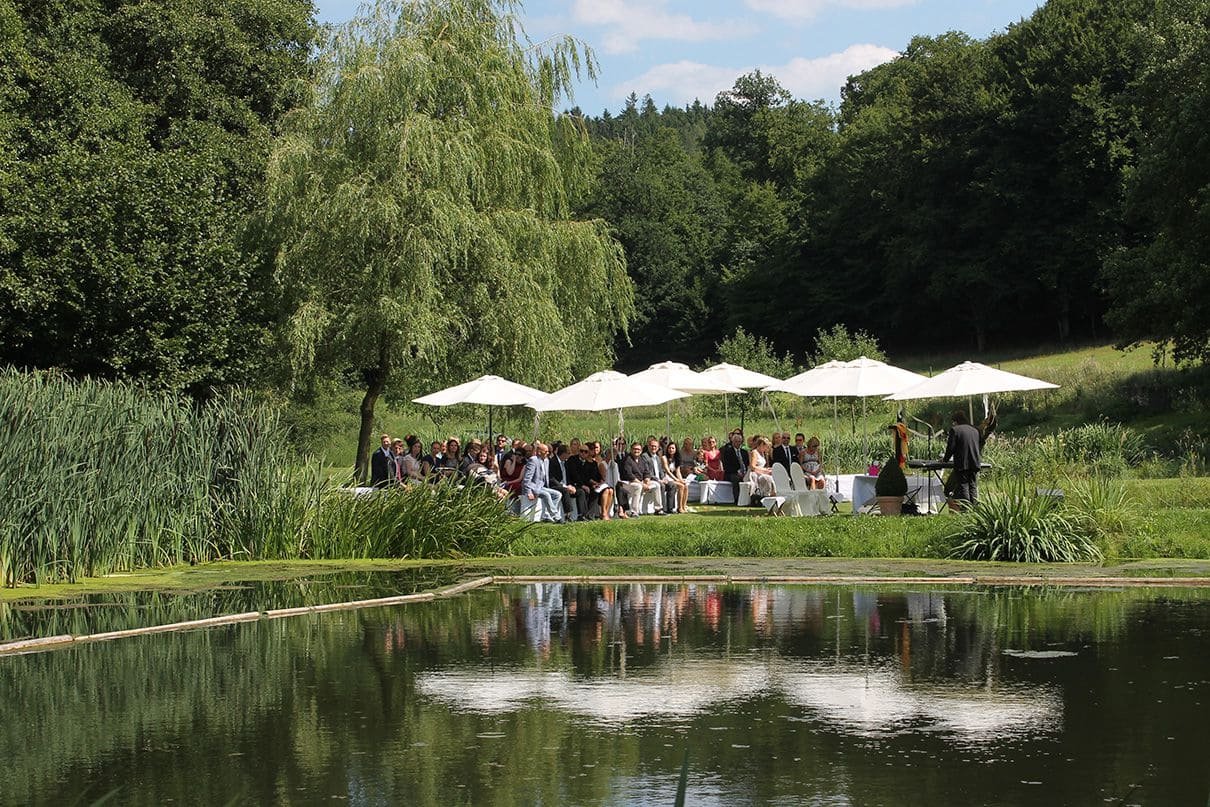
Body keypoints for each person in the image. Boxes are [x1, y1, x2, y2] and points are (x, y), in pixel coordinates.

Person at [944, 410, 983, 508]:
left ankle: (966, 509)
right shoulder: (975, 429)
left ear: (956, 421)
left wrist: (945, 459)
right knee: (973, 485)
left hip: (962, 463)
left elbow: (951, 448)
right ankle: (975, 509)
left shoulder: (955, 430)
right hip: (975, 462)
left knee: (963, 485)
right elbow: (980, 444)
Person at [521, 442, 562, 522]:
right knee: (546, 494)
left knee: (557, 494)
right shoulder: (533, 460)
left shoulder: (546, 461)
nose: (548, 453)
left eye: (548, 452)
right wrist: (528, 491)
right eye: (546, 451)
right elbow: (527, 478)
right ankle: (556, 517)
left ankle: (546, 515)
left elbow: (545, 476)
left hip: (541, 486)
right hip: (533, 487)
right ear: (539, 452)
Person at [617, 441, 656, 517]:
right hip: (628, 482)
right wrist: (642, 484)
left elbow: (646, 472)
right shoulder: (627, 459)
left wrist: (647, 481)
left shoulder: (642, 459)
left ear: (641, 451)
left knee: (656, 485)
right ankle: (634, 511)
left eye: (638, 449)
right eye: (635, 449)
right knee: (638, 487)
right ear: (631, 450)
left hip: (641, 481)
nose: (636, 451)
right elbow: (629, 475)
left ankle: (658, 508)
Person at [645, 438, 676, 514]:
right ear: (648, 446)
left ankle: (670, 508)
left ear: (658, 447)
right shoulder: (645, 456)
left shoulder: (658, 458)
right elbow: (647, 472)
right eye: (652, 446)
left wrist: (664, 477)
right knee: (661, 485)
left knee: (672, 485)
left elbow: (661, 470)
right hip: (650, 479)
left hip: (659, 479)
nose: (653, 448)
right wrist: (658, 480)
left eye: (655, 446)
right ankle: (663, 509)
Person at [548, 442, 579, 521]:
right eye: (568, 453)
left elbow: (568, 477)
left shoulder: (565, 463)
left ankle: (582, 514)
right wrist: (565, 486)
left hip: (565, 484)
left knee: (580, 491)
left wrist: (571, 485)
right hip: (555, 485)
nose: (569, 455)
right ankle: (567, 514)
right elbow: (552, 478)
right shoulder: (553, 462)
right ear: (563, 453)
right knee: (565, 491)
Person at [720, 430, 749, 503]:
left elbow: (747, 464)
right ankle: (737, 498)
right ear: (732, 442)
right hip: (731, 473)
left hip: (744, 472)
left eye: (739, 442)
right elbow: (726, 466)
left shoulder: (744, 452)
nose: (738, 443)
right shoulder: (728, 452)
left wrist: (746, 472)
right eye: (736, 441)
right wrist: (737, 471)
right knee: (736, 478)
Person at [663, 441, 690, 513]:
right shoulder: (664, 458)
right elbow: (668, 471)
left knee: (685, 485)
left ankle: (684, 506)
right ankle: (679, 507)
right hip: (666, 478)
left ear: (675, 449)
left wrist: (681, 480)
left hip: (673, 478)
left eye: (673, 448)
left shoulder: (676, 459)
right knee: (681, 486)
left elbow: (678, 472)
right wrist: (677, 480)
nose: (671, 449)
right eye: (669, 448)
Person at [748, 436, 775, 500]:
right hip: (754, 474)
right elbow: (752, 466)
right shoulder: (754, 452)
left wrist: (768, 469)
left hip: (761, 472)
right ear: (761, 445)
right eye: (766, 446)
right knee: (768, 478)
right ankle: (766, 495)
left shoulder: (763, 453)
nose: (767, 448)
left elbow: (764, 465)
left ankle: (772, 494)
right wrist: (764, 471)